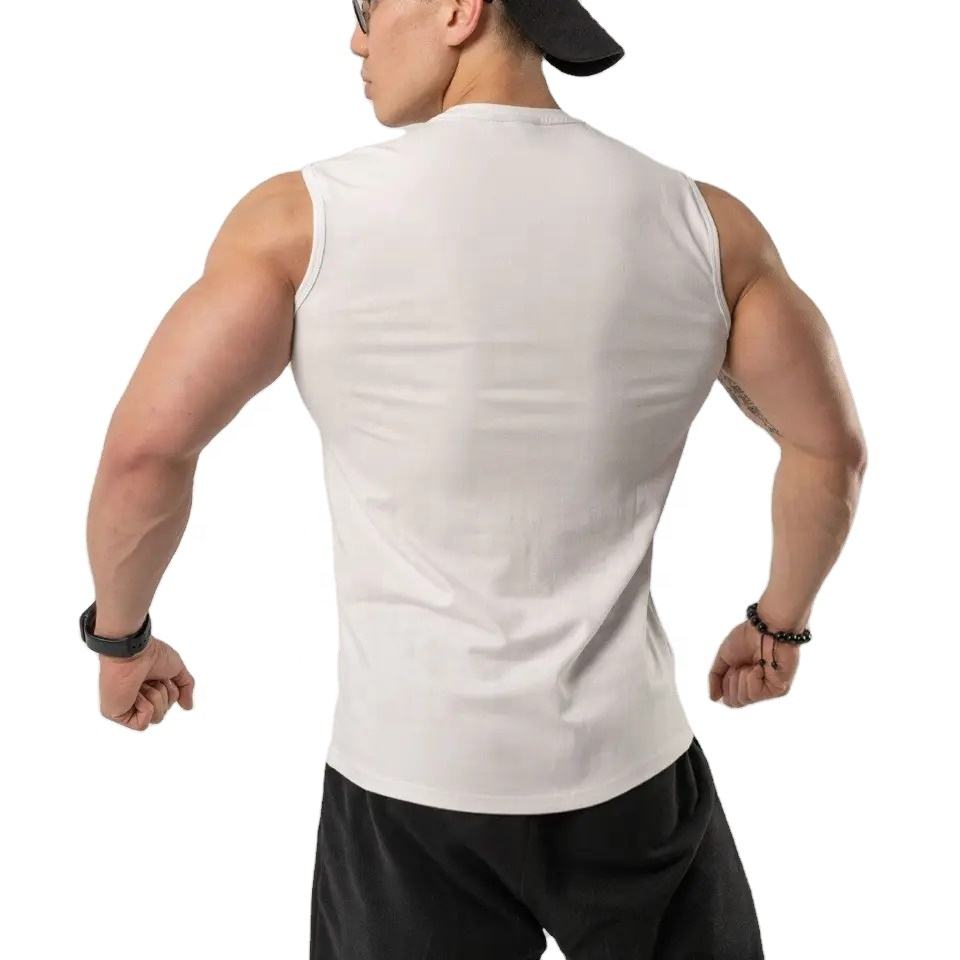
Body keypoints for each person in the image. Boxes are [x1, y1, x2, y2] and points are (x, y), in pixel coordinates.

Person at [80, 1, 868, 957]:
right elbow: (830, 447)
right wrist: (779, 626)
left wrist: (121, 640)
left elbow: (145, 453)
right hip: (631, 772)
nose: (357, 39)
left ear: (459, 8)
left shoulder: (302, 223)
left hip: (410, 781)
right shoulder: (708, 228)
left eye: (369, 6)